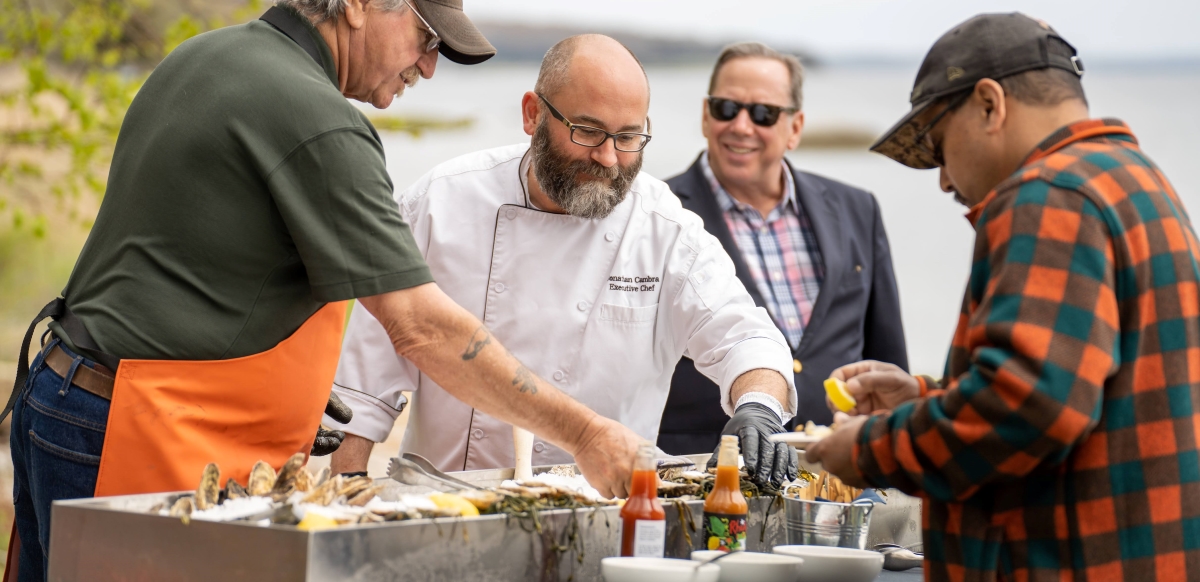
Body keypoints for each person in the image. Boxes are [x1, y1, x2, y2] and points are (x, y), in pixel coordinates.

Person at [6, 2, 644, 579]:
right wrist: (586, 434)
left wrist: (283, 395)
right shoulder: (319, 119)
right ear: (361, 5)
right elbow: (421, 328)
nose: (428, 66)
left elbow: (182, 268)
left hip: (62, 394)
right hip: (133, 430)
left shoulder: (206, 55)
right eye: (425, 38)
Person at [807, 13, 1200, 581]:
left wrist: (870, 450)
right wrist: (923, 398)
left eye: (939, 148)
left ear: (990, 104)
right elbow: (1079, 389)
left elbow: (1030, 405)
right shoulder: (1137, 182)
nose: (943, 180)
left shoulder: (1047, 194)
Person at [327, 34, 800, 488]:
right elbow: (366, 378)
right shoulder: (442, 201)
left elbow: (746, 336)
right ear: (533, 114)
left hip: (606, 509)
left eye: (629, 136)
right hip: (448, 499)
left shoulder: (664, 228)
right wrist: (347, 489)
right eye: (588, 131)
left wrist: (757, 406)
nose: (609, 158)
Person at [657, 42, 907, 456]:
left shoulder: (857, 208)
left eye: (763, 114)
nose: (740, 125)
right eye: (725, 108)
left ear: (795, 127)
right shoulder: (658, 214)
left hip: (839, 470)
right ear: (705, 115)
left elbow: (887, 358)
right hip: (705, 473)